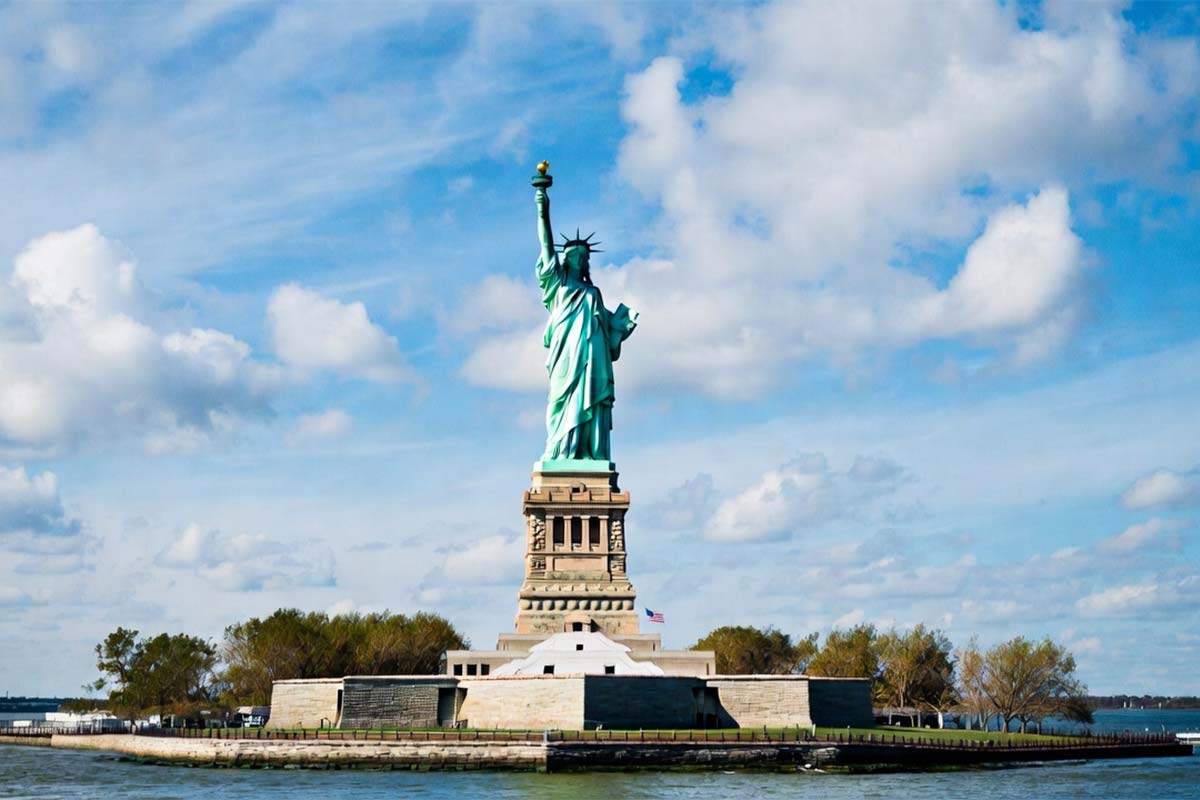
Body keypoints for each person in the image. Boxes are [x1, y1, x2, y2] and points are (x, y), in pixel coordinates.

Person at [534, 184, 637, 462]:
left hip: (593, 359)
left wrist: (621, 329)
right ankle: (560, 452)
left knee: (590, 400)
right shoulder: (558, 284)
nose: (578, 260)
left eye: (583, 257)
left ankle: (590, 452)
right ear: (566, 260)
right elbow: (546, 246)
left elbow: (607, 334)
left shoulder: (594, 293)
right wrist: (543, 209)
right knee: (561, 402)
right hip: (565, 359)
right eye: (573, 256)